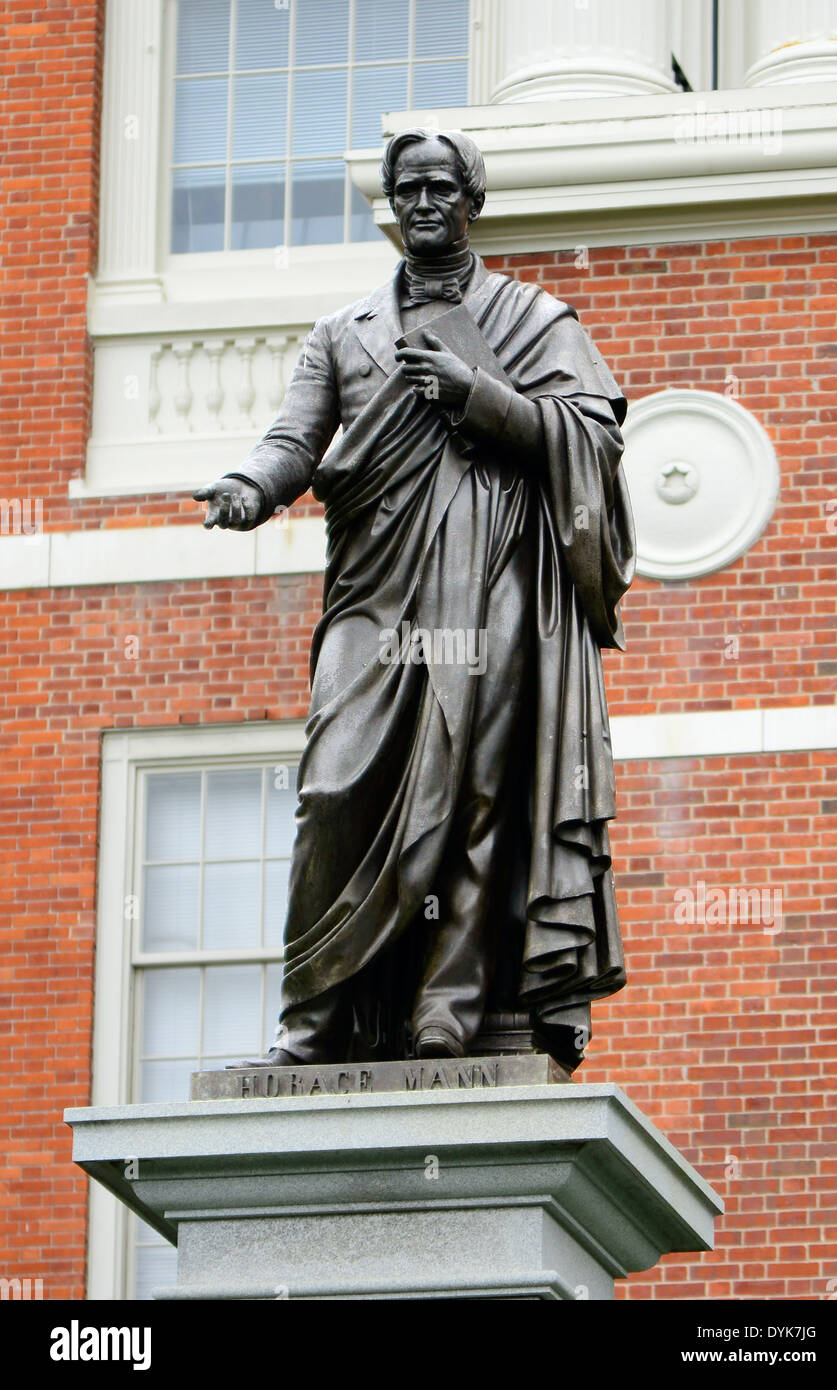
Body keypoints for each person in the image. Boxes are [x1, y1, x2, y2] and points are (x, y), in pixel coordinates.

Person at [194, 129, 635, 1071]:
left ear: (472, 199)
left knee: (476, 788)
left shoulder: (535, 321)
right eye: (407, 189)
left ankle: (450, 1001)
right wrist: (251, 487)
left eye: (441, 186)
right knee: (333, 785)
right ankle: (314, 1011)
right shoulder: (343, 331)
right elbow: (295, 438)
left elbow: (590, 444)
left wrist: (482, 396)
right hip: (376, 585)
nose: (423, 203)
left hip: (491, 578)